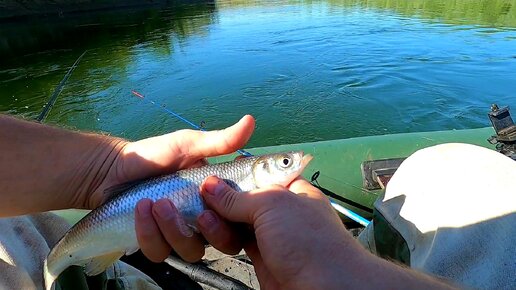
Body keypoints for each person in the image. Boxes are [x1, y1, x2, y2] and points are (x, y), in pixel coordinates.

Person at [2, 113, 506, 290]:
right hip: (107, 224)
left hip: (111, 216)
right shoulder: (236, 181)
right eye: (286, 164)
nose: (298, 163)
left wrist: (107, 167)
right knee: (450, 164)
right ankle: (64, 264)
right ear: (259, 173)